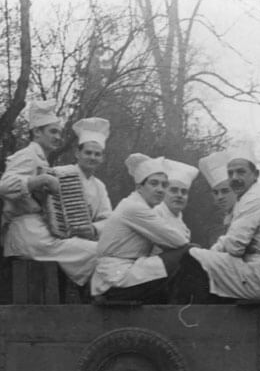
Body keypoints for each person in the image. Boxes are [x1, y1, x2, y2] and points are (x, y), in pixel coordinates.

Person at [0, 100, 97, 286]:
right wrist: (41, 180)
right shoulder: (26, 155)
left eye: (59, 132)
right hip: (27, 235)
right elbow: (4, 186)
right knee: (95, 252)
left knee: (92, 249)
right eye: (53, 131)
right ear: (36, 132)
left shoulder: (40, 159)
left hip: (38, 233)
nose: (58, 137)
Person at [178, 143, 260, 302]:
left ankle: (188, 315)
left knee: (190, 256)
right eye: (231, 173)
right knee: (198, 259)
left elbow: (234, 247)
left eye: (241, 172)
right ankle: (194, 312)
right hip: (255, 271)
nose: (235, 177)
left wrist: (211, 254)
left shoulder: (254, 199)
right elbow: (230, 242)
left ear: (255, 174)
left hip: (257, 275)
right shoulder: (246, 199)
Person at [91, 153, 189, 303]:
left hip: (118, 275)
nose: (160, 189)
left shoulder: (137, 205)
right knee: (188, 252)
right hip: (115, 280)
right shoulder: (135, 208)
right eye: (154, 183)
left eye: (164, 185)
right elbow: (179, 242)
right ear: (139, 187)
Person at [53, 117, 113, 240]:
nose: (92, 157)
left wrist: (94, 228)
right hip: (58, 237)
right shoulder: (60, 172)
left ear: (102, 158)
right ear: (77, 153)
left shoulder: (100, 186)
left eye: (97, 154)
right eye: (88, 152)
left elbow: (107, 218)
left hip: (87, 238)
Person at [154, 159, 199, 242]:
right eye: (174, 190)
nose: (179, 195)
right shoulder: (155, 214)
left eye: (184, 192)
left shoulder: (181, 223)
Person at [199, 151, 236, 231]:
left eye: (225, 191)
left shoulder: (248, 214)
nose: (220, 197)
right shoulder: (229, 218)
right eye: (215, 193)